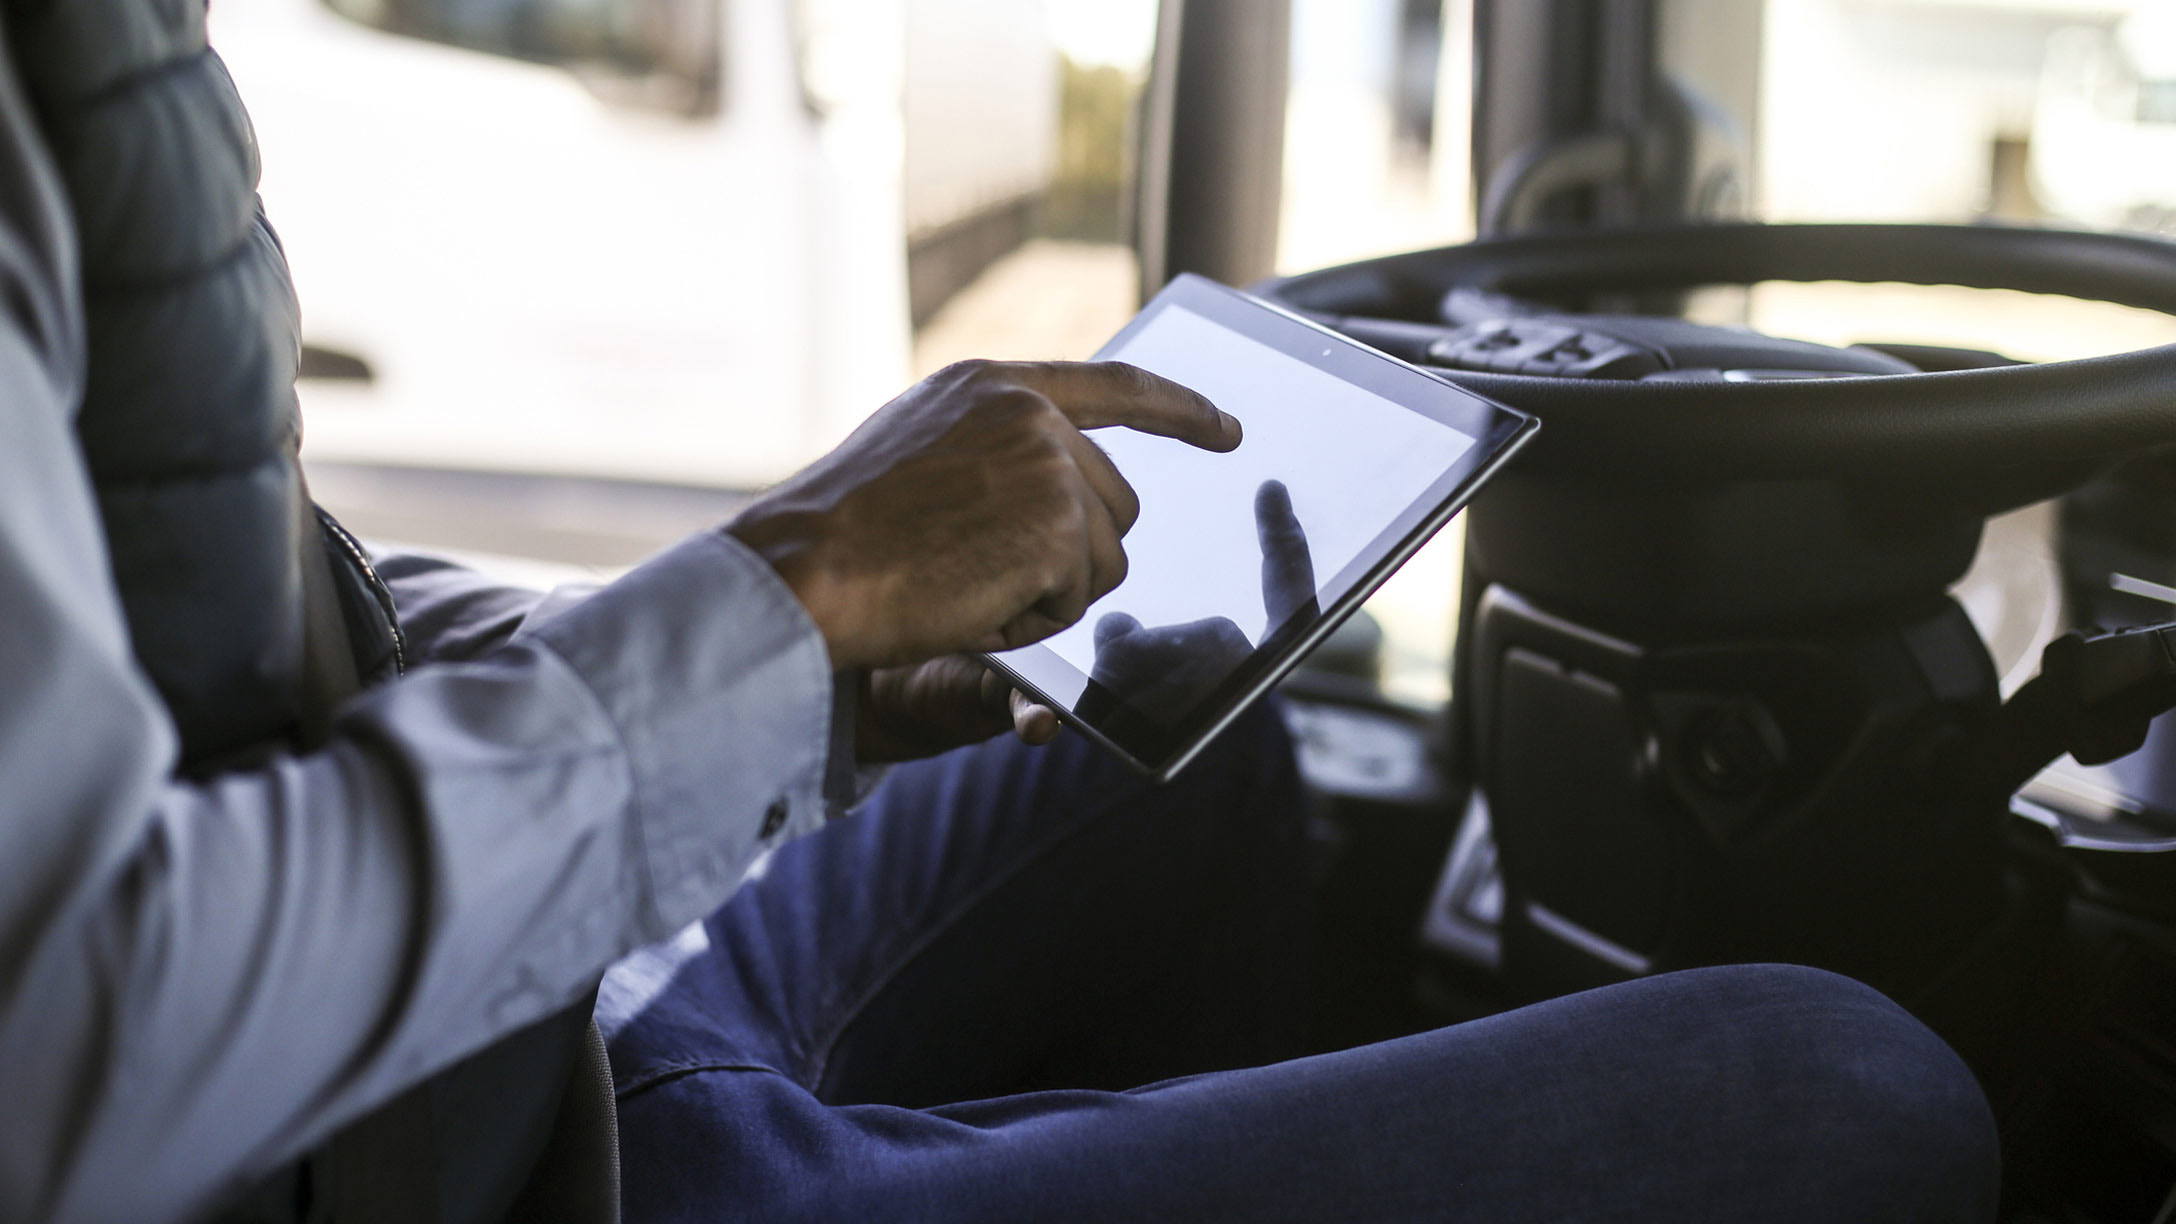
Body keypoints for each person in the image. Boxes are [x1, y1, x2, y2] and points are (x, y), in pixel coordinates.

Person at [0, 4, 1999, 1221]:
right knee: (1859, 1087)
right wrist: (789, 605)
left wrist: (800, 640)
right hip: (427, 1169)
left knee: (1168, 728)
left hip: (493, 1042)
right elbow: (70, 1046)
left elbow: (247, 617)